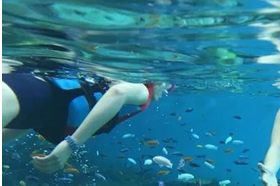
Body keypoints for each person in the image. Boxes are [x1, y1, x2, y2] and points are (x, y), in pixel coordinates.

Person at [2, 72, 172, 173]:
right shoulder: (143, 92)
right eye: (167, 85)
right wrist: (71, 144)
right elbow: (119, 92)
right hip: (32, 93)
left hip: (28, 94)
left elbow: (37, 115)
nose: (166, 90)